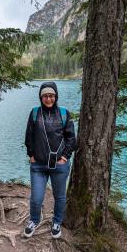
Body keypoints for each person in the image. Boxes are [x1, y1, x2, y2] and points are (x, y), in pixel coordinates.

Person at [24, 82, 76, 238]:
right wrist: (31, 155)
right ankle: (34, 220)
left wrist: (65, 157)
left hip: (59, 166)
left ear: (56, 96)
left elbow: (71, 139)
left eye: (51, 96)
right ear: (41, 97)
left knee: (59, 196)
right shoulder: (35, 113)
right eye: (45, 96)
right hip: (38, 165)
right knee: (36, 198)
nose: (48, 99)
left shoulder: (64, 113)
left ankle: (56, 222)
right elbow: (29, 137)